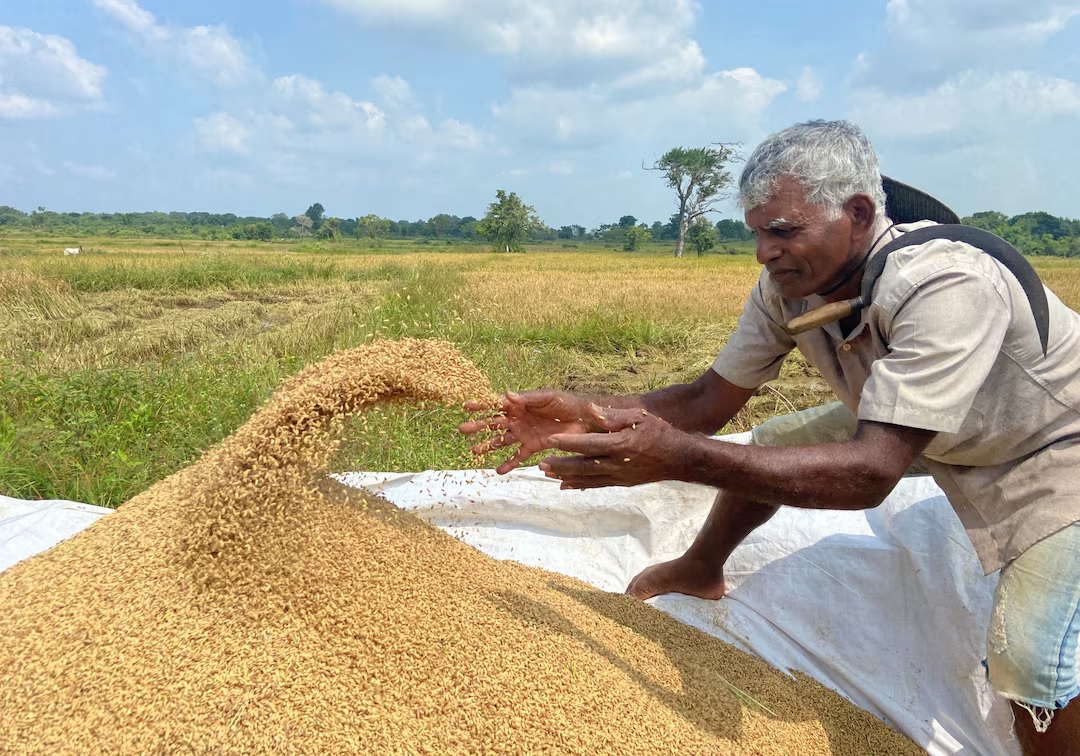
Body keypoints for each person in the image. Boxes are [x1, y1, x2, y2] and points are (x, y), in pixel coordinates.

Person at [459, 120, 1080, 754]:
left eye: (783, 231)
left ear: (858, 213)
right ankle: (701, 567)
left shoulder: (946, 283)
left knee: (1028, 661)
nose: (763, 251)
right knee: (776, 441)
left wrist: (677, 458)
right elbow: (705, 401)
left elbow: (872, 472)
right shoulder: (790, 287)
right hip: (933, 420)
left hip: (1052, 445)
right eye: (757, 231)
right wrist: (589, 411)